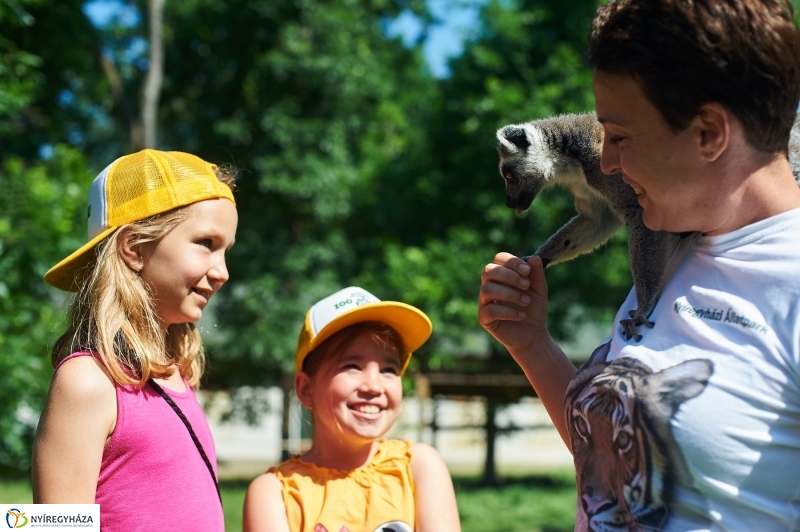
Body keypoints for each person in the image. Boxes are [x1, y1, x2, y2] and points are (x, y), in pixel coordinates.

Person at [479, 0, 800, 530]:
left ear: (709, 133)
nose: (605, 162)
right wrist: (530, 342)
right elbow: (613, 459)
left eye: (621, 138)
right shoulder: (674, 246)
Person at [33, 149, 238, 532]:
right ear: (134, 248)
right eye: (206, 243)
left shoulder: (175, 373)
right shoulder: (88, 380)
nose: (223, 271)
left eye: (227, 251)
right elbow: (50, 526)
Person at [243, 286, 461, 532]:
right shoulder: (276, 494)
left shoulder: (419, 467)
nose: (374, 385)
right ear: (305, 389)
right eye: (352, 366)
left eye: (389, 369)